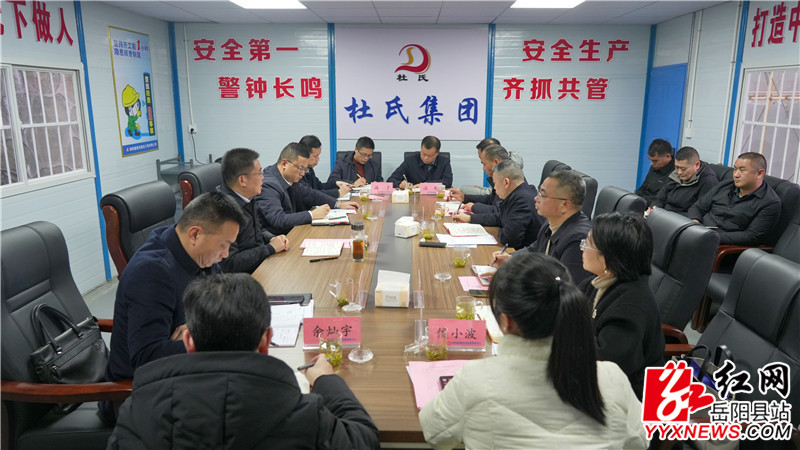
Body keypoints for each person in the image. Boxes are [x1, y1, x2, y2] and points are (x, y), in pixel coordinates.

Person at [109, 273, 381, 449]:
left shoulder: (137, 412)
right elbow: (365, 440)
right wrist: (325, 380)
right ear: (266, 341)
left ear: (188, 341)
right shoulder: (303, 413)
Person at [419, 252, 646, 449]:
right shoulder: (613, 378)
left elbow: (434, 434)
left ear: (506, 321)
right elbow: (640, 442)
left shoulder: (475, 379)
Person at [102, 191, 246, 422]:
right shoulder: (152, 272)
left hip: (183, 375)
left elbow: (224, 303)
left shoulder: (198, 255)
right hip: (135, 394)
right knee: (245, 410)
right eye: (223, 245)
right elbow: (148, 357)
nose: (226, 254)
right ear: (195, 234)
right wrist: (207, 337)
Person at [578, 212, 665, 400]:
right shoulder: (596, 283)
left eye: (588, 244)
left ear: (607, 258)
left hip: (629, 398)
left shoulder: (631, 306)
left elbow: (605, 363)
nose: (582, 248)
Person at [493, 169, 593, 284]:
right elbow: (534, 250)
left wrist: (511, 277)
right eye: (538, 192)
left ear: (565, 205)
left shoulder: (578, 240)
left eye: (542, 195)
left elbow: (566, 287)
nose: (536, 198)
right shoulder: (551, 222)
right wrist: (510, 259)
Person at [256, 142, 359, 236]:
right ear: (284, 164)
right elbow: (279, 219)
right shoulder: (269, 185)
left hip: (292, 231)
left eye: (305, 169)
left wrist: (338, 204)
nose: (303, 174)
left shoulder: (289, 178)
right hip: (277, 238)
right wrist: (312, 214)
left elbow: (310, 194)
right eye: (300, 168)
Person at [218, 148, 289, 273]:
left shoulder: (248, 198)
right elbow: (230, 264)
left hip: (260, 266)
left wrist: (273, 238)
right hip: (243, 278)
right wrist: (270, 248)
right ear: (242, 180)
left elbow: (258, 230)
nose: (263, 178)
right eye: (259, 173)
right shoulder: (224, 212)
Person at [687, 152, 781, 245]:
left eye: (742, 170)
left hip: (721, 244)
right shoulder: (725, 186)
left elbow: (751, 236)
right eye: (735, 169)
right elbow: (697, 207)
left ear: (759, 173)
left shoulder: (770, 202)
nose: (736, 175)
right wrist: (695, 223)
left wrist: (709, 236)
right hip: (699, 232)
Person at [453, 160, 542, 250]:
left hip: (524, 255)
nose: (494, 188)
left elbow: (508, 240)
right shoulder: (520, 193)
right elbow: (500, 217)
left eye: (495, 183)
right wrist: (469, 218)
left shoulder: (521, 200)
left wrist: (499, 230)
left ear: (506, 182)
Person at [647, 146, 718, 216]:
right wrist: (655, 207)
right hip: (663, 214)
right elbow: (660, 198)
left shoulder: (708, 181)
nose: (679, 172)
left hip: (682, 219)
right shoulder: (676, 174)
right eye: (677, 167)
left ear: (697, 165)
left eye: (683, 169)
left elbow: (700, 212)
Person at [450, 143, 508, 215]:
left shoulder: (508, 180)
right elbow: (490, 199)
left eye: (484, 164)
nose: (483, 168)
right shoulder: (503, 176)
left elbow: (498, 211)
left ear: (496, 162)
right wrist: (465, 198)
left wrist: (474, 207)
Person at [388, 136, 453, 188]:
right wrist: (400, 184)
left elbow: (448, 182)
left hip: (436, 197)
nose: (425, 158)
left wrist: (425, 185)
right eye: (423, 154)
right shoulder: (410, 160)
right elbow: (391, 180)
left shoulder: (444, 162)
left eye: (429, 155)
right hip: (414, 198)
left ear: (437, 153)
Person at [298, 135, 351, 199]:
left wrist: (336, 183)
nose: (318, 159)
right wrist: (338, 193)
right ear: (304, 155)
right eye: (315, 156)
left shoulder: (309, 169)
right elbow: (311, 194)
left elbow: (320, 187)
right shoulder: (298, 173)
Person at [636, 138, 674, 204]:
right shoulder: (654, 167)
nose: (652, 164)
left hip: (656, 206)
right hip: (644, 203)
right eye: (650, 160)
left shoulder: (676, 172)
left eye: (655, 161)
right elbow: (643, 188)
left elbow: (663, 199)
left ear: (668, 157)